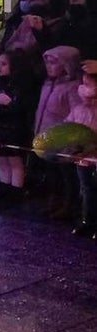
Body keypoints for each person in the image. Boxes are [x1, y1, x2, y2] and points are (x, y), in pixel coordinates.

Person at [32, 46, 82, 218]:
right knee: (52, 174)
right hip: (46, 138)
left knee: (67, 176)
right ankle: (55, 201)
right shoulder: (47, 84)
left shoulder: (72, 87)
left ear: (66, 65)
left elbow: (76, 113)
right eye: (47, 62)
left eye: (53, 63)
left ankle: (69, 206)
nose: (49, 66)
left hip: (63, 140)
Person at [0, 50, 32, 209]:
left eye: (4, 64)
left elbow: (19, 107)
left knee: (14, 161)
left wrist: (4, 105)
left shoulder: (20, 85)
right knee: (1, 159)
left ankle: (15, 191)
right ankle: (3, 189)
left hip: (14, 129)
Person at [68, 71, 97, 237]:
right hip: (82, 157)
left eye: (89, 84)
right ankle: (87, 220)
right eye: (83, 84)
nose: (83, 89)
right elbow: (68, 127)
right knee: (86, 189)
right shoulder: (78, 109)